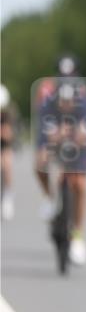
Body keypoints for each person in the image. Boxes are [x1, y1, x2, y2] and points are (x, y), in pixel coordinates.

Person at [35, 63, 86, 264]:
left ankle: (78, 235)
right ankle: (50, 197)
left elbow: (85, 134)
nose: (66, 105)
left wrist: (74, 135)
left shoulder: (85, 103)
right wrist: (58, 136)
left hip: (77, 146)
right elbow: (46, 137)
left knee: (81, 184)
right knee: (40, 162)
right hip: (54, 142)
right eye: (63, 101)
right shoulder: (46, 102)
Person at [1, 84, 18, 220]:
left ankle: (7, 194)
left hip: (4, 145)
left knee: (6, 164)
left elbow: (7, 135)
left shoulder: (9, 112)